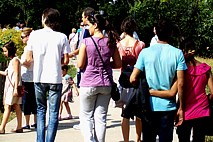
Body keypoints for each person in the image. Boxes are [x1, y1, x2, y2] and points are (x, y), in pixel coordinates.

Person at [130, 19, 187, 142]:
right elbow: (181, 83)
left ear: (156, 32)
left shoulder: (145, 53)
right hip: (168, 106)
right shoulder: (178, 54)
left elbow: (133, 78)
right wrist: (181, 108)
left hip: (148, 105)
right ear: (171, 33)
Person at [150, 39, 213, 142]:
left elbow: (174, 90)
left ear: (183, 50)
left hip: (184, 109)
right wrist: (207, 99)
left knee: (183, 138)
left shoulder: (181, 70)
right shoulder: (206, 68)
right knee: (199, 138)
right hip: (202, 109)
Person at [25, 8, 70, 142]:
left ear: (45, 19)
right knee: (54, 113)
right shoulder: (62, 36)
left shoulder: (34, 35)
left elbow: (28, 57)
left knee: (40, 110)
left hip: (39, 77)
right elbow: (66, 60)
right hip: (55, 78)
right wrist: (56, 60)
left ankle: (40, 140)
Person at [77, 14, 122, 142]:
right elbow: (118, 64)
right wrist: (106, 64)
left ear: (95, 25)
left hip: (89, 83)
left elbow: (80, 64)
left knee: (86, 116)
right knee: (101, 117)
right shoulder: (111, 42)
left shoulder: (86, 42)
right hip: (106, 83)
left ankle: (89, 140)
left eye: (89, 25)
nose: (87, 28)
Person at [117, 16, 145, 142]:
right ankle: (138, 138)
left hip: (124, 81)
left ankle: (126, 140)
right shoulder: (140, 44)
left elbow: (117, 63)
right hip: (137, 82)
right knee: (139, 114)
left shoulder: (119, 44)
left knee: (124, 114)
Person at [0, 41, 23, 134]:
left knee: (7, 106)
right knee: (16, 105)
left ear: (10, 51)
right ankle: (19, 126)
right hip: (11, 86)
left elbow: (17, 74)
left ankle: (2, 128)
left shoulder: (15, 60)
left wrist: (15, 88)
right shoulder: (12, 61)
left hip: (13, 86)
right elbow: (7, 73)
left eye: (5, 51)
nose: (4, 53)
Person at [20, 27, 37, 130]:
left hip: (27, 77)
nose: (22, 39)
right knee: (34, 100)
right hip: (34, 77)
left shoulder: (28, 48)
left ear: (28, 37)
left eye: (22, 37)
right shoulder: (35, 47)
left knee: (26, 101)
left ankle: (27, 122)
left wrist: (19, 62)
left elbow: (27, 62)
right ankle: (35, 121)